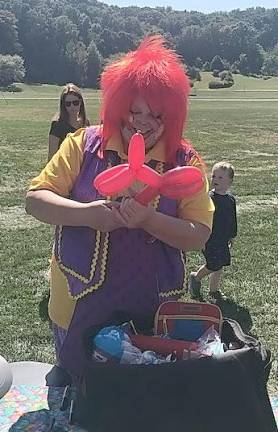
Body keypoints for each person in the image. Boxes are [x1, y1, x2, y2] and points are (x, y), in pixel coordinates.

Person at [26, 36, 214, 379]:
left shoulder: (185, 162)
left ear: (172, 115)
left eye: (157, 114)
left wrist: (149, 219)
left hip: (151, 310)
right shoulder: (83, 144)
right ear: (117, 105)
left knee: (140, 398)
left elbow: (199, 235)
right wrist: (87, 215)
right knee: (76, 392)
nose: (143, 122)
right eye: (134, 110)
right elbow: (35, 200)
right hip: (77, 303)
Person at [188, 161, 237, 301]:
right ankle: (196, 277)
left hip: (222, 238)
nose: (215, 179)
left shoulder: (230, 200)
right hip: (209, 237)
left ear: (230, 181)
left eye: (220, 177)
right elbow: (200, 216)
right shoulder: (209, 198)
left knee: (219, 265)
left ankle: (214, 290)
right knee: (213, 264)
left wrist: (232, 236)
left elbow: (232, 219)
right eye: (214, 176)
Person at [48, 83, 90, 161]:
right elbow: (51, 157)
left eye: (75, 103)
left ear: (81, 102)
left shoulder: (85, 123)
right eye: (68, 104)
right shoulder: (57, 125)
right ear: (63, 105)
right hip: (64, 169)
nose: (72, 107)